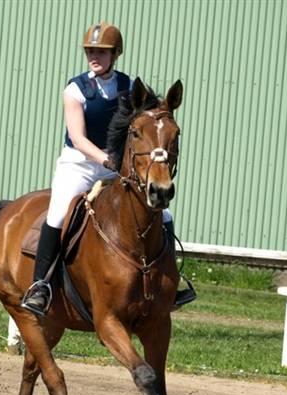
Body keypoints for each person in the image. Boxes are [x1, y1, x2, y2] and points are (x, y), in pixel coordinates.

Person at [21, 22, 195, 317]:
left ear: (115, 54)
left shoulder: (129, 87)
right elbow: (78, 138)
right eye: (91, 50)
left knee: (165, 213)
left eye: (101, 52)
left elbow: (151, 121)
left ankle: (170, 283)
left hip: (116, 166)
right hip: (80, 165)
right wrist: (106, 160)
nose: (94, 56)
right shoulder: (75, 89)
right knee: (59, 212)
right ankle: (40, 286)